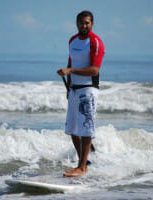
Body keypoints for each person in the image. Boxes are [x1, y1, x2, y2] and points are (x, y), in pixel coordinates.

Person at [57, 10, 105, 177]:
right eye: (81, 22)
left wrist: (70, 70)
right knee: (72, 129)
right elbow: (71, 61)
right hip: (74, 89)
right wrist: (69, 84)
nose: (84, 25)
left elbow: (94, 70)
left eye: (87, 23)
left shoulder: (95, 42)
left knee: (86, 129)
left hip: (88, 89)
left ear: (92, 24)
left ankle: (82, 167)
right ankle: (83, 163)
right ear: (77, 23)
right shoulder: (72, 40)